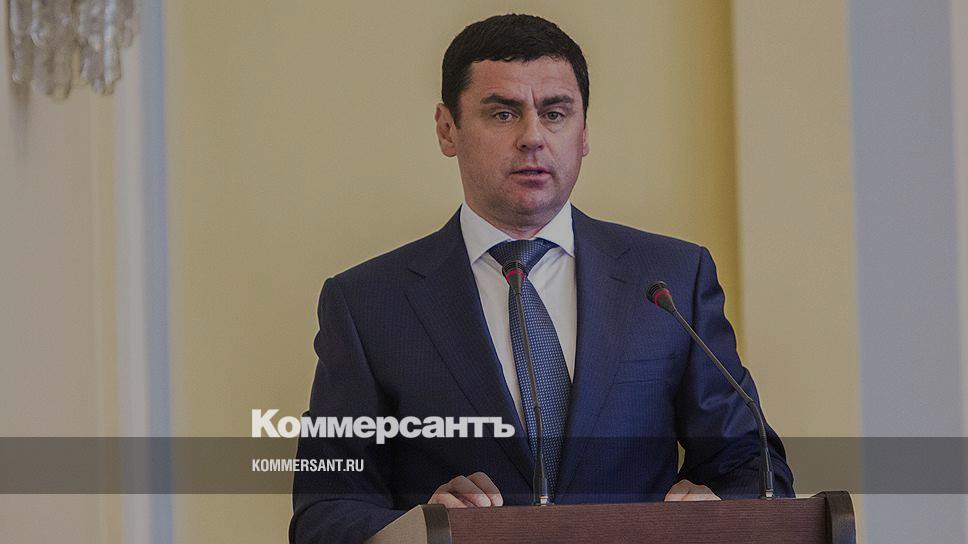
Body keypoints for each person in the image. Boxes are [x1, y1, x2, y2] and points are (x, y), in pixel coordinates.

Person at [290, 13, 793, 543]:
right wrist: (419, 528)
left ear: (583, 133)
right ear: (447, 129)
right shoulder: (368, 304)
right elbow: (325, 511)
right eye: (503, 114)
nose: (532, 137)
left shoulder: (671, 281)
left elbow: (755, 465)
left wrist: (718, 511)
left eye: (555, 114)